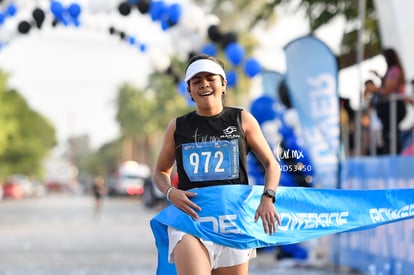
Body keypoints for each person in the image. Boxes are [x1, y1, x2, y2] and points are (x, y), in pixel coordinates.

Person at [153, 54, 281, 275]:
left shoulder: (242, 120)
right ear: (189, 90)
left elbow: (272, 164)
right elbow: (160, 172)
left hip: (233, 222)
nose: (204, 84)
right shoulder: (178, 127)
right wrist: (170, 192)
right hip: (192, 222)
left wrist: (267, 198)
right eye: (196, 80)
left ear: (223, 85)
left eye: (210, 78)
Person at [370, 48, 407, 154]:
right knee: (389, 135)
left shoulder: (394, 70)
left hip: (394, 106)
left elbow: (389, 89)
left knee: (390, 135)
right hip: (391, 107)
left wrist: (375, 89)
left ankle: (395, 156)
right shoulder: (392, 70)